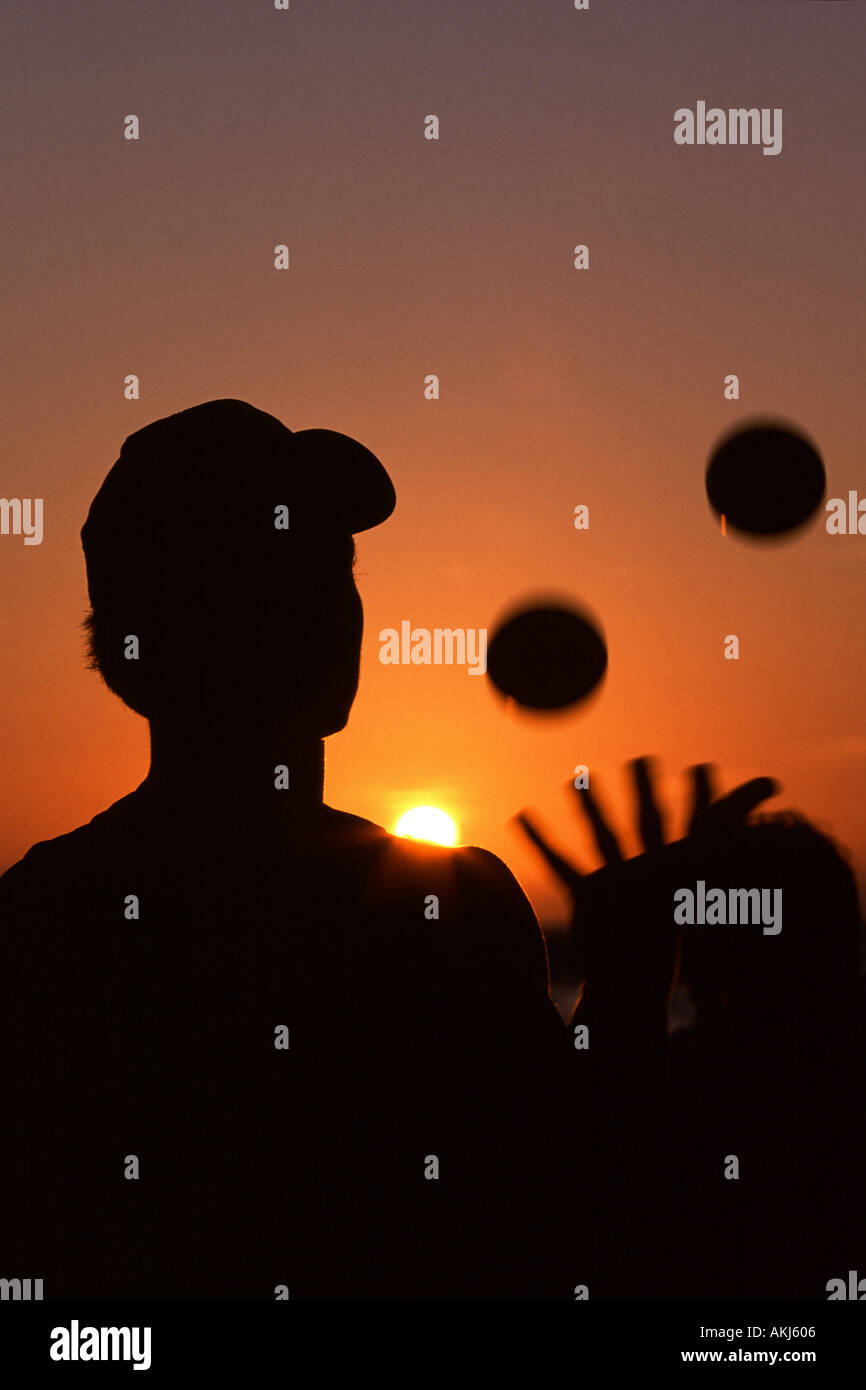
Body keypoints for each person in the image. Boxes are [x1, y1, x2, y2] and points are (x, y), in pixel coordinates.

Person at [0, 400, 582, 1300]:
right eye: (273, 568)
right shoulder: (448, 910)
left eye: (337, 562)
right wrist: (625, 981)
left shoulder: (38, 914)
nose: (331, 597)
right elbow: (572, 1228)